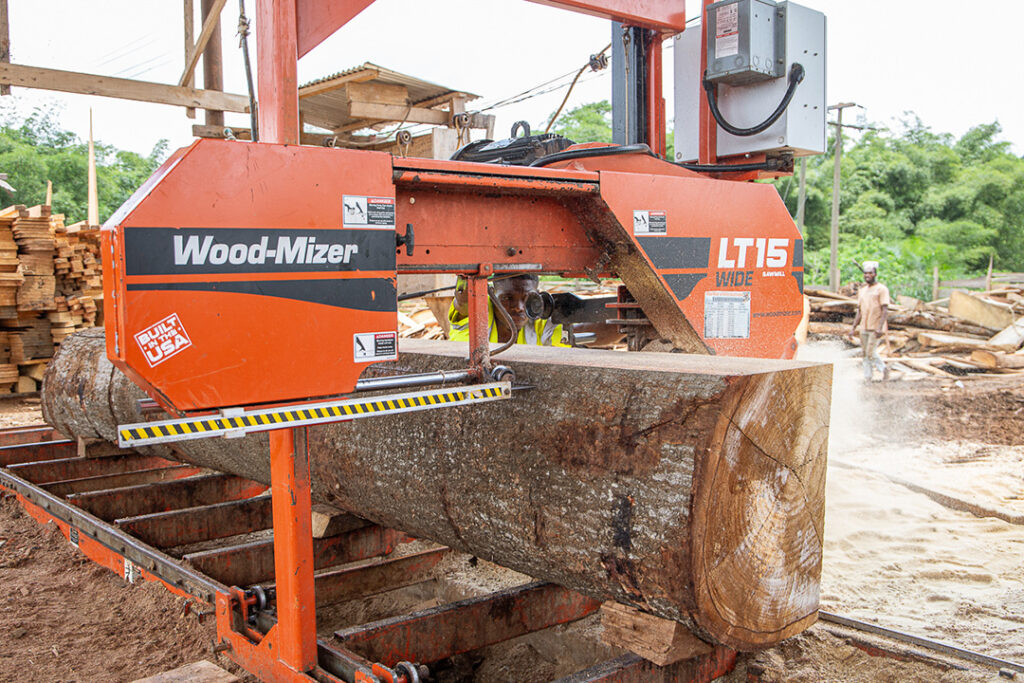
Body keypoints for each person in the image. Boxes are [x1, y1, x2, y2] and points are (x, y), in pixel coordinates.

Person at [447, 274, 568, 347]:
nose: (519, 308)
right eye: (507, 298)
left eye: (528, 298)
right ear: (492, 294)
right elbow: (463, 300)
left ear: (537, 295)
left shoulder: (542, 319)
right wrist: (468, 273)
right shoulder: (479, 308)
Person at [848, 261, 890, 381]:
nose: (867, 275)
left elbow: (885, 310)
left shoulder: (881, 289)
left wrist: (880, 328)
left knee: (870, 352)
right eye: (865, 273)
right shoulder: (862, 290)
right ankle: (868, 377)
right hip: (864, 327)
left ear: (875, 274)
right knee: (865, 353)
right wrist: (853, 328)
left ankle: (883, 369)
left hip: (875, 327)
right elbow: (860, 311)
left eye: (870, 273)